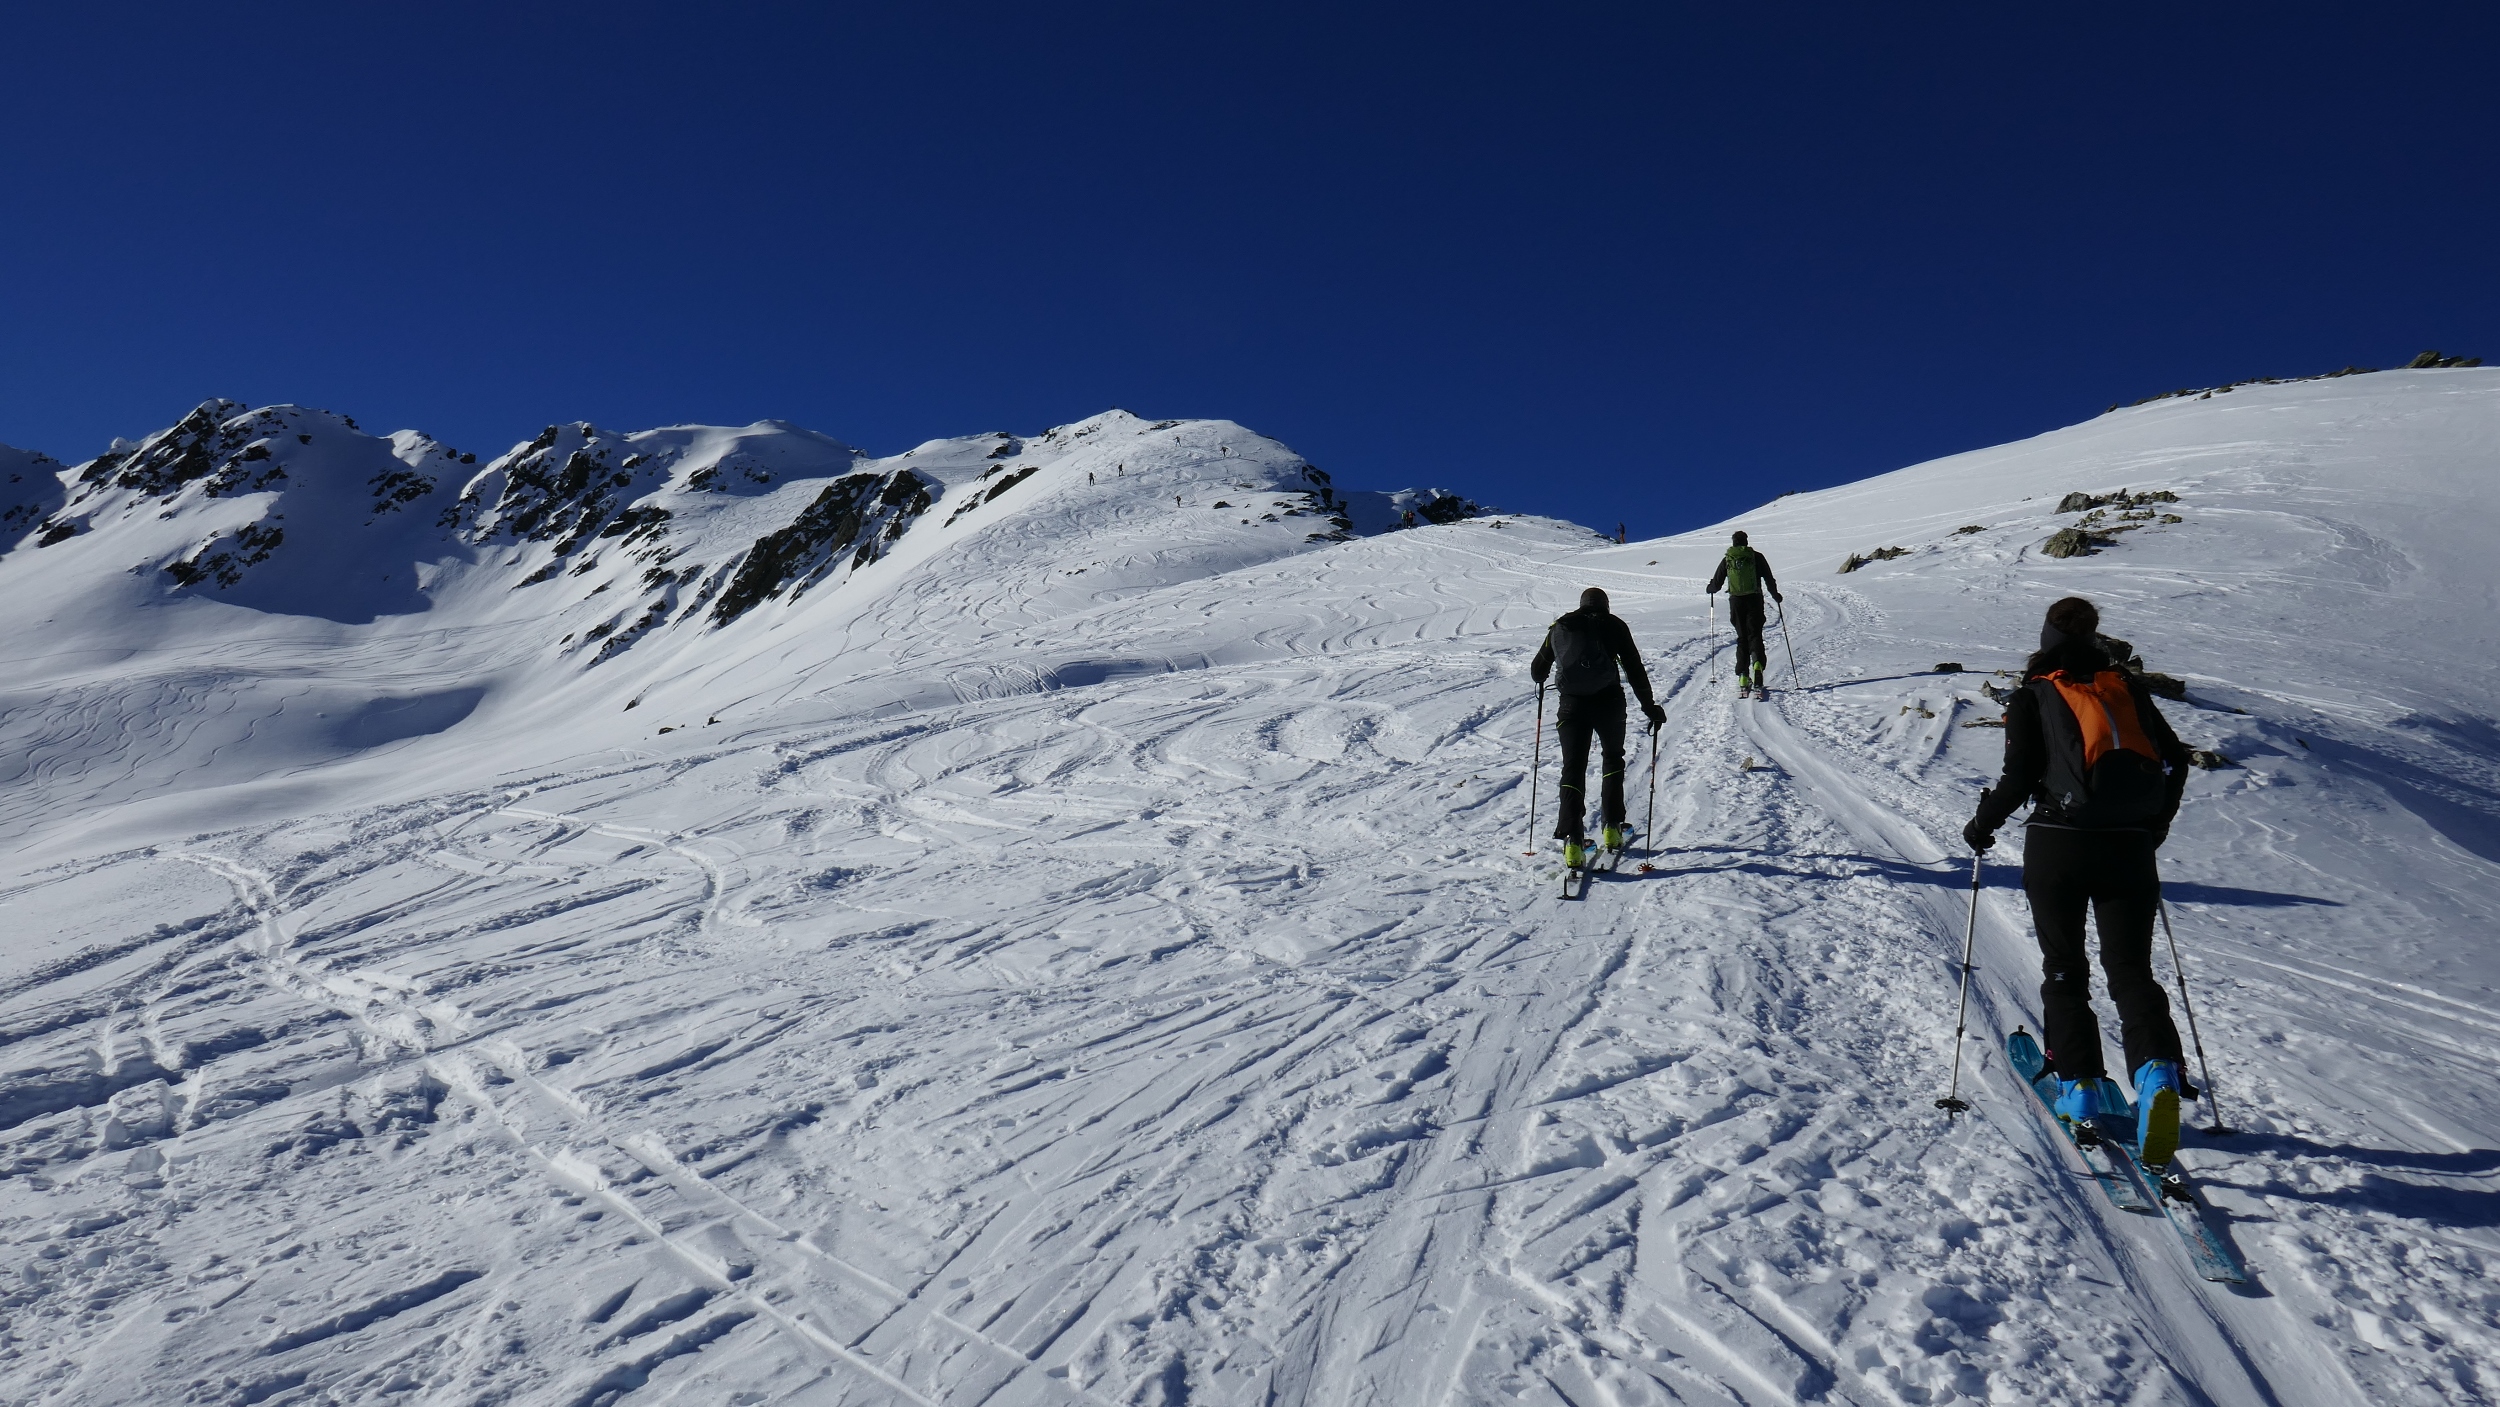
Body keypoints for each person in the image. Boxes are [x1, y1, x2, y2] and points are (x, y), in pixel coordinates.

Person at [1962, 596, 2196, 1164]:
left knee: (2064, 968)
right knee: (2133, 971)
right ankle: (2158, 1075)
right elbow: (2177, 759)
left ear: (2045, 638)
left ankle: (2082, 1089)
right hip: (2130, 846)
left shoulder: (2034, 692)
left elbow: (2017, 779)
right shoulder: (2124, 688)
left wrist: (1980, 827)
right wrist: (2152, 827)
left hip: (2058, 843)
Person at [1530, 587, 1668, 867]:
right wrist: (1649, 706)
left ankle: (1572, 842)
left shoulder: (1561, 625)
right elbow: (1634, 668)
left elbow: (1537, 670)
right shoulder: (1614, 625)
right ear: (1605, 605)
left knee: (1573, 767)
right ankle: (1613, 828)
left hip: (1571, 705)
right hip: (1609, 702)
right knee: (1612, 759)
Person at [1704, 530, 1781, 699]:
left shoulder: (1728, 558)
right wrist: (1775, 595)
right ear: (1746, 542)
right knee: (1755, 635)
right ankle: (1758, 666)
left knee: (1742, 638)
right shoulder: (1756, 557)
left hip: (1736, 601)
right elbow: (1769, 578)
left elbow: (1716, 583)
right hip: (1755, 599)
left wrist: (1710, 589)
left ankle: (1743, 676)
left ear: (1733, 542)